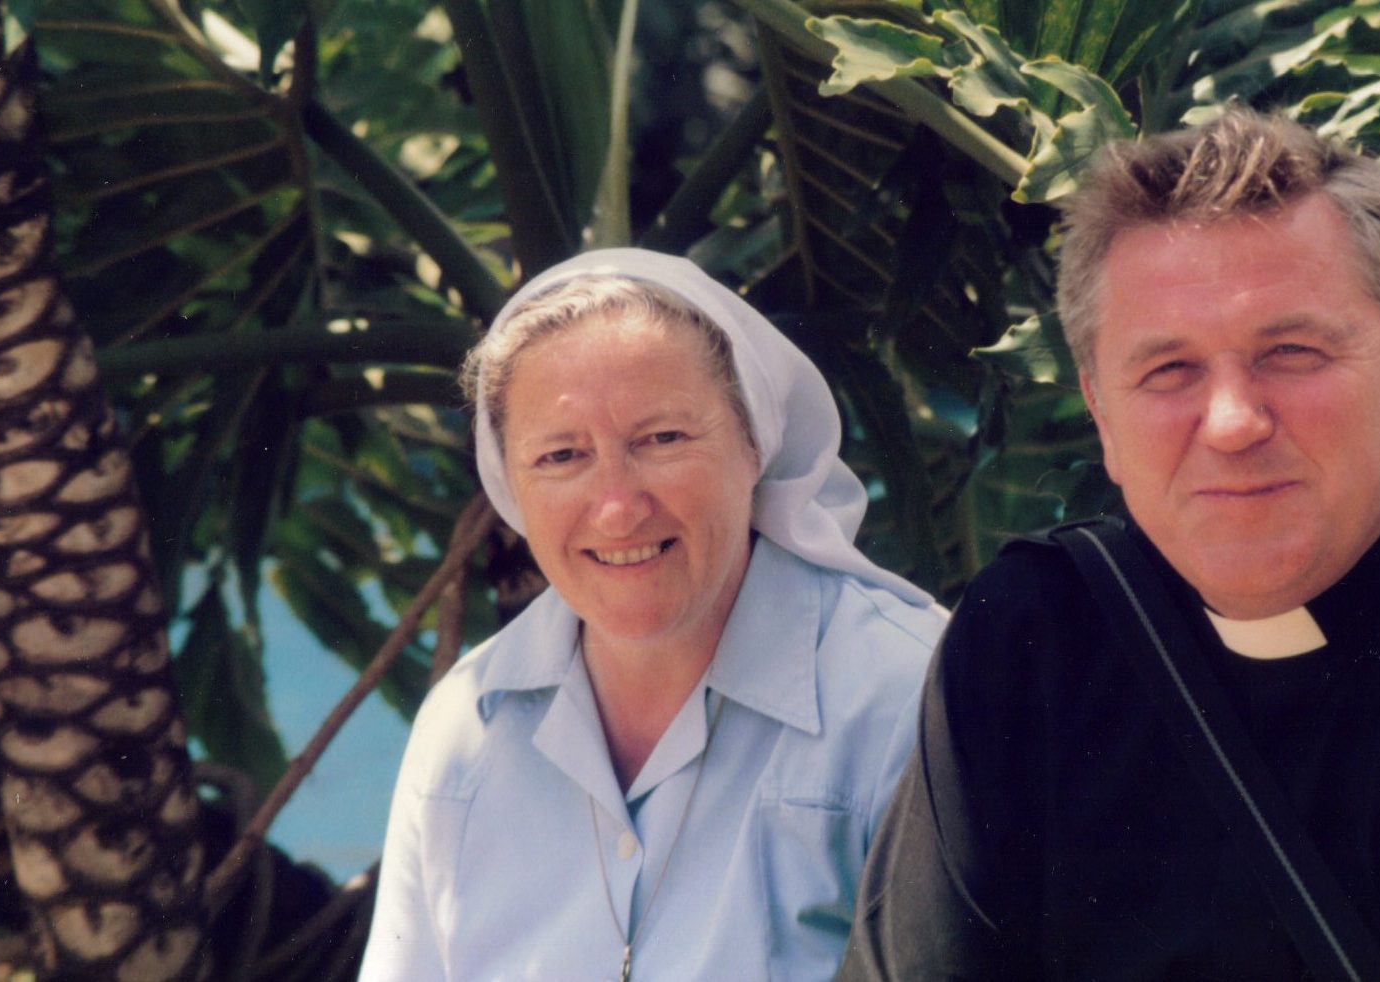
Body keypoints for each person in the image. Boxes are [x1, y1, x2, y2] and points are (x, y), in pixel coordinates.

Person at [838, 109, 1380, 979]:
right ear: (1103, 417)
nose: (1230, 423)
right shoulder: (1032, 633)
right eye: (1167, 370)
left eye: (1289, 352)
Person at [360, 248, 945, 980]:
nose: (616, 508)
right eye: (562, 456)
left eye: (661, 439)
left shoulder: (910, 699)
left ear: (753, 444)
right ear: (507, 485)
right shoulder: (464, 729)